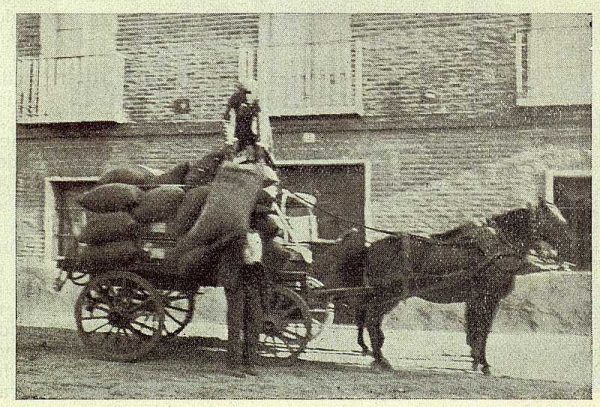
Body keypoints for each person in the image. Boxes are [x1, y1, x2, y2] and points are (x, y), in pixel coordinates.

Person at [223, 79, 274, 165]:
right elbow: (229, 125)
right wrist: (231, 142)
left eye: (251, 93)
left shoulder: (258, 108)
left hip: (253, 143)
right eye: (246, 93)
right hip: (239, 142)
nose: (248, 96)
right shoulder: (235, 104)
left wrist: (260, 145)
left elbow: (262, 129)